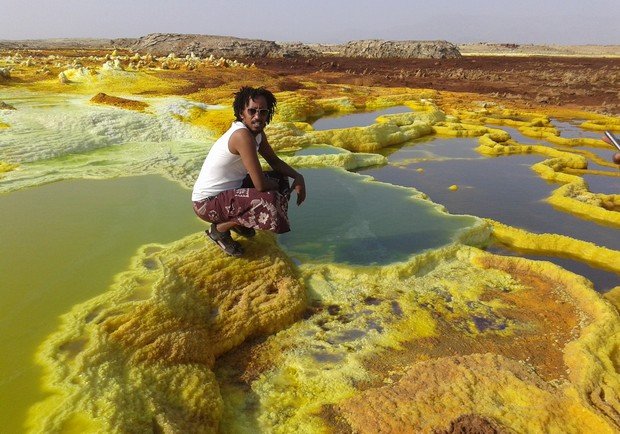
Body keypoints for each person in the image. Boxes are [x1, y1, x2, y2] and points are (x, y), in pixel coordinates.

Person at [192, 86, 306, 257]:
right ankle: (219, 230)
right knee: (270, 198)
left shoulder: (257, 134)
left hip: (228, 193)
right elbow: (260, 185)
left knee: (281, 179)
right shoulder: (242, 136)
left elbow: (274, 161)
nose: (258, 117)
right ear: (241, 113)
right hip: (206, 204)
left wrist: (298, 176)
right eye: (252, 111)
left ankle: (239, 222)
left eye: (263, 112)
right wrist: (274, 187)